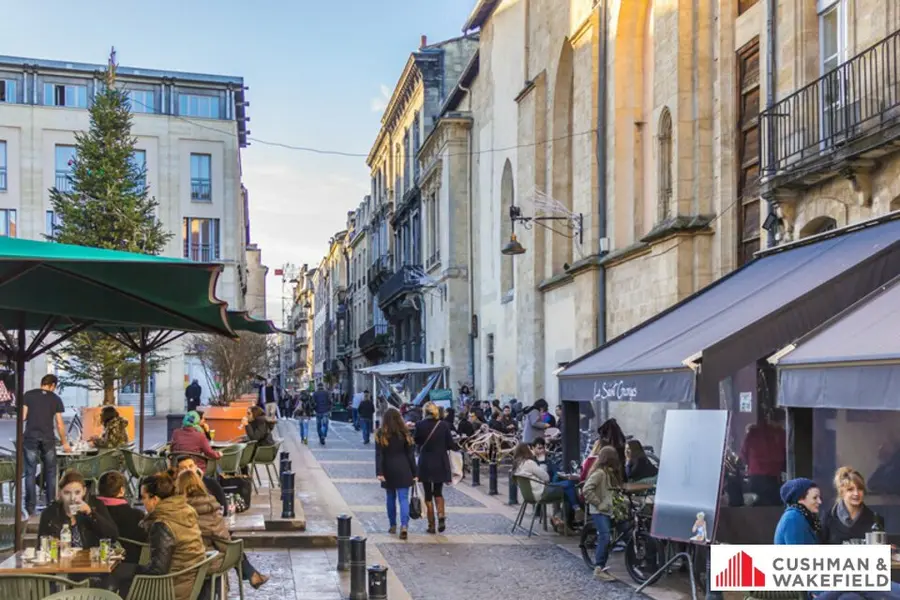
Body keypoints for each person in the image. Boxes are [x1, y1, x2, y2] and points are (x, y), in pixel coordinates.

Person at [175, 469, 270, 589]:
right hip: (205, 560)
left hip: (179, 562)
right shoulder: (209, 507)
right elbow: (224, 541)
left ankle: (251, 575)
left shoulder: (176, 508)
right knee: (234, 548)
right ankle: (250, 575)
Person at [119, 473, 207, 600]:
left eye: (143, 498)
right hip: (189, 582)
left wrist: (130, 569)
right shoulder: (184, 510)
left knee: (120, 582)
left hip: (170, 589)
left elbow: (158, 570)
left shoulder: (162, 524)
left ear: (154, 499)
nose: (142, 502)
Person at [23, 374, 71, 515]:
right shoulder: (55, 399)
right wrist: (65, 442)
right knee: (51, 471)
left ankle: (30, 506)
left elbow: (23, 416)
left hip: (30, 437)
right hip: (48, 438)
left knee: (30, 472)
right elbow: (59, 424)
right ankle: (51, 504)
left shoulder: (28, 395)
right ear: (53, 385)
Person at [38, 470, 118, 547]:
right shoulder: (50, 513)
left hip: (90, 558)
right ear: (60, 493)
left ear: (84, 491)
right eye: (67, 493)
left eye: (77, 492)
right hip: (63, 558)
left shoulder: (95, 505)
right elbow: (40, 544)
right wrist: (52, 543)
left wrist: (91, 513)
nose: (73, 498)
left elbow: (113, 536)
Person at [414, 402, 458, 534]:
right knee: (438, 491)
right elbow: (450, 444)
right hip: (440, 461)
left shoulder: (420, 425)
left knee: (428, 494)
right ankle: (441, 515)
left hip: (426, 462)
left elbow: (416, 441)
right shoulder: (444, 425)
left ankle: (431, 524)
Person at [582, 447, 624, 582]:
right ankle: (598, 569)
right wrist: (598, 503)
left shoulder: (609, 473)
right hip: (600, 511)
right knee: (605, 536)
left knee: (617, 531)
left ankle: (603, 567)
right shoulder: (600, 473)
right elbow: (587, 489)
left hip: (608, 510)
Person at [375, 407, 417, 540]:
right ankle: (404, 526)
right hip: (404, 467)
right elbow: (411, 455)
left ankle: (392, 524)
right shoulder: (405, 433)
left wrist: (379, 472)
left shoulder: (381, 434)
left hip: (388, 468)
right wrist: (415, 472)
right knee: (403, 499)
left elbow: (379, 454)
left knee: (390, 498)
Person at [96, 471, 147, 563]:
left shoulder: (92, 513)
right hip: (130, 565)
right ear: (122, 490)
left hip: (97, 562)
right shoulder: (137, 515)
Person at [740, 408, 786, 507]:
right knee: (774, 510)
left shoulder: (753, 432)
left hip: (755, 478)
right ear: (781, 421)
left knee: (756, 509)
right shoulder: (781, 434)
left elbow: (743, 454)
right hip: (772, 479)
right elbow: (786, 457)